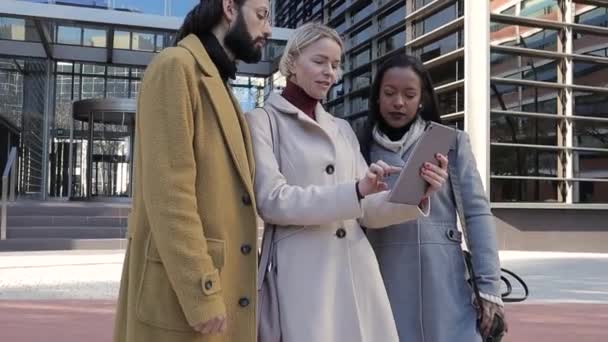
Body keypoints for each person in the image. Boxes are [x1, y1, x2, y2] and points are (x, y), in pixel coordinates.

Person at [245, 23, 448, 342]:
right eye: (320, 61)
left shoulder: (341, 128)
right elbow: (272, 200)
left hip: (356, 270)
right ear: (293, 62)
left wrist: (418, 192)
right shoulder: (262, 121)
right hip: (304, 277)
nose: (330, 72)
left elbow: (366, 209)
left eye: (336, 65)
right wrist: (354, 191)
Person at [113, 0, 271, 341]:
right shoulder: (176, 66)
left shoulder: (218, 80)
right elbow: (170, 194)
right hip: (185, 295)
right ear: (229, 7)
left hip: (215, 290)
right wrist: (201, 290)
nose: (268, 29)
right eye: (261, 14)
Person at [358, 54, 507, 341]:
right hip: (381, 282)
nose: (398, 102)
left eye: (409, 94)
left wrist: (489, 288)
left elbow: (476, 214)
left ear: (422, 99)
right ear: (377, 97)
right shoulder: (357, 146)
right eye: (389, 93)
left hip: (446, 286)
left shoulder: (450, 142)